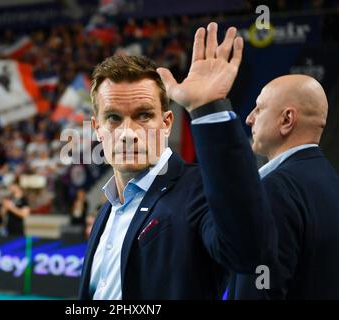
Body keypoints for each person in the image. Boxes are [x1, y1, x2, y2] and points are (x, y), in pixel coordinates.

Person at [79, 24, 275, 299]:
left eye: (144, 115)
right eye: (113, 118)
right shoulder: (108, 208)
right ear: (97, 128)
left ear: (167, 123)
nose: (128, 133)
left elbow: (248, 252)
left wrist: (209, 110)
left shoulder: (198, 190)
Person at [158, 22, 339, 299]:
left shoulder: (275, 190)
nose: (249, 117)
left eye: (259, 108)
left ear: (287, 119)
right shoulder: (329, 180)